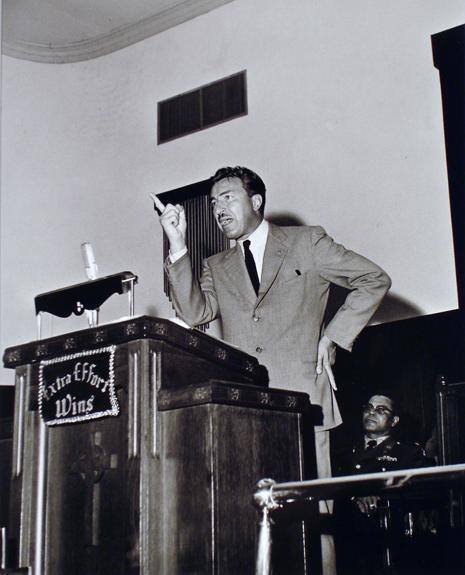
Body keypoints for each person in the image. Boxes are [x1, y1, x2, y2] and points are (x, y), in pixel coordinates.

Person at [154, 166, 391, 573]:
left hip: (305, 408)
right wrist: (177, 245)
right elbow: (195, 312)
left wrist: (333, 336)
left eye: (227, 197)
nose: (218, 209)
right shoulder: (216, 264)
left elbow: (374, 279)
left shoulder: (306, 242)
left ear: (256, 201)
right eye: (213, 202)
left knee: (315, 523)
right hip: (247, 412)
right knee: (256, 521)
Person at [335, 394, 432, 574]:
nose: (371, 413)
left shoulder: (408, 454)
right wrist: (355, 497)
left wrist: (381, 499)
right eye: (368, 408)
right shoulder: (343, 452)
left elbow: (422, 493)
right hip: (349, 546)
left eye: (380, 410)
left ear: (394, 420)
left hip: (390, 544)